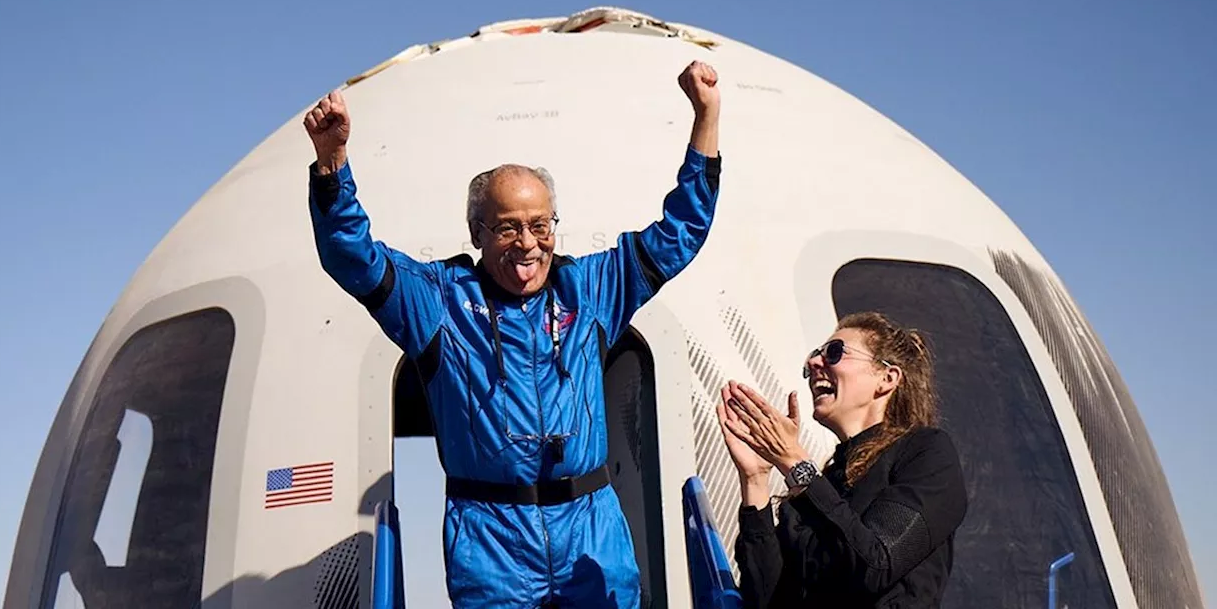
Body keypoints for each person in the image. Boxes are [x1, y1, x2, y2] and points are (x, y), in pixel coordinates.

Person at [303, 61, 722, 608]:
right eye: (507, 227)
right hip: (490, 543)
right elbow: (351, 256)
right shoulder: (438, 302)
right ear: (478, 233)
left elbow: (680, 232)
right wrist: (332, 163)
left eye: (540, 224)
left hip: (590, 531)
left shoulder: (591, 287)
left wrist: (706, 118)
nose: (528, 242)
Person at [716, 311, 968, 608]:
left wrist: (797, 466)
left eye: (835, 352)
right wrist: (755, 479)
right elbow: (769, 599)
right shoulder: (825, 480)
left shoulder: (927, 453)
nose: (813, 363)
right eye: (814, 356)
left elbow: (875, 565)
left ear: (887, 378)